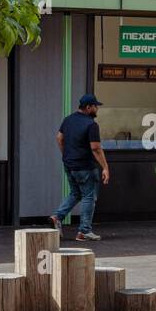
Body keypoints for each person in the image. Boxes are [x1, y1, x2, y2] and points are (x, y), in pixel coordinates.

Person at [52, 93, 109, 242]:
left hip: (69, 164)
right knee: (89, 196)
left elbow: (59, 137)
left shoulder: (68, 120)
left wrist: (66, 155)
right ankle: (84, 231)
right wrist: (105, 167)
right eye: (95, 106)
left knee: (76, 193)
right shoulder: (91, 124)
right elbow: (96, 148)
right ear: (88, 107)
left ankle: (57, 216)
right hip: (85, 166)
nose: (97, 109)